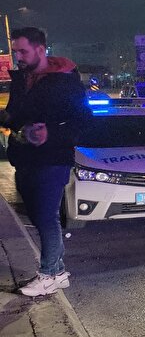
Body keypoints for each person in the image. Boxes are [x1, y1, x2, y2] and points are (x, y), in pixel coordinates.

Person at [1, 27, 92, 297]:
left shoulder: (64, 81)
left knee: (46, 218)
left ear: (40, 50)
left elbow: (84, 122)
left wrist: (50, 133)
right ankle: (59, 272)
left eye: (22, 51)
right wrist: (11, 122)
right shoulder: (22, 78)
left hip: (53, 159)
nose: (17, 56)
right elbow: (14, 115)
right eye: (15, 50)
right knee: (40, 217)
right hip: (24, 158)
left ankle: (48, 274)